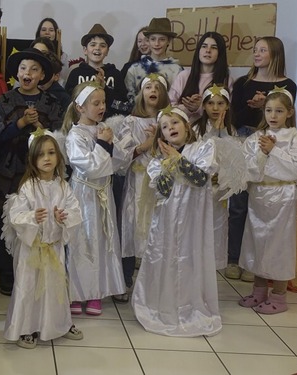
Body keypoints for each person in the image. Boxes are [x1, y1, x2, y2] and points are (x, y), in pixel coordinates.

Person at [132, 106, 221, 337]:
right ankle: (164, 305)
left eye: (175, 123)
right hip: (167, 223)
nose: (170, 128)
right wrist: (169, 164)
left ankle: (191, 306)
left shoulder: (203, 148)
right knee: (167, 258)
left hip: (193, 221)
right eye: (164, 126)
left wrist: (178, 160)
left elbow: (201, 179)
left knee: (191, 259)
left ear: (186, 126)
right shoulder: (157, 161)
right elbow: (163, 188)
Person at [3, 130, 83, 349]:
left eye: (51, 153)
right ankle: (27, 328)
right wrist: (32, 218)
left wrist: (63, 218)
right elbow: (16, 216)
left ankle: (59, 323)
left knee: (55, 287)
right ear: (33, 159)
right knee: (29, 287)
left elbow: (75, 211)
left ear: (58, 156)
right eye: (41, 155)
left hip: (54, 248)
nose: (47, 158)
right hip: (32, 251)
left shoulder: (64, 187)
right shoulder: (29, 187)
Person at [0, 48, 62, 295]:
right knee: (9, 219)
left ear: (42, 75)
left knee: (38, 218)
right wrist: (20, 123)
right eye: (23, 68)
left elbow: (56, 139)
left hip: (39, 174)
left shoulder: (51, 103)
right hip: (9, 173)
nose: (27, 73)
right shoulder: (5, 101)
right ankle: (7, 274)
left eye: (33, 69)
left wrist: (39, 127)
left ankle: (36, 270)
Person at [227, 36, 297, 281]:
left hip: (272, 142)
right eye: (255, 50)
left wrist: (264, 106)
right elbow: (234, 116)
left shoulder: (287, 84)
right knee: (238, 204)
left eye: (262, 50)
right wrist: (254, 107)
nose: (256, 54)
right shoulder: (243, 82)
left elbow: (284, 113)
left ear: (275, 54)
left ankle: (255, 263)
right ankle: (234, 258)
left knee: (261, 210)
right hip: (245, 138)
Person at [238, 88, 297, 315]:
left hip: (283, 197)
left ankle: (278, 294)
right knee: (257, 242)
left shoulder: (296, 138)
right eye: (268, 110)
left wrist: (274, 151)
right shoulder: (255, 138)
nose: (273, 115)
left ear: (289, 112)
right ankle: (258, 290)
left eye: (279, 110)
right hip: (259, 196)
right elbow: (248, 168)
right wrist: (260, 156)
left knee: (279, 245)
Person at [62, 81, 127, 315]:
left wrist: (109, 142)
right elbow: (89, 167)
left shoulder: (105, 129)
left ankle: (96, 292)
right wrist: (103, 143)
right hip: (83, 195)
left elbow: (119, 163)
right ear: (80, 107)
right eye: (96, 103)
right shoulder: (75, 135)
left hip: (103, 194)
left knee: (102, 240)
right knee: (81, 242)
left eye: (104, 102)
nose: (102, 107)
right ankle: (77, 293)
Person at [114, 73, 170, 302]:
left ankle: (153, 284)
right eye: (148, 87)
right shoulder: (130, 122)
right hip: (136, 183)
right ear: (141, 93)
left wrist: (159, 140)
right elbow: (121, 155)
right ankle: (125, 280)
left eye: (157, 87)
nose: (152, 90)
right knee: (130, 229)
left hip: (159, 185)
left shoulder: (169, 120)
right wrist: (145, 145)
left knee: (156, 230)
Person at [192, 85, 238, 271]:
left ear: (227, 106)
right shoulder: (196, 129)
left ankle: (214, 263)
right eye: (210, 103)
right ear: (203, 106)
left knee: (217, 224)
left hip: (220, 187)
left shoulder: (231, 130)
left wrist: (222, 133)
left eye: (220, 103)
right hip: (201, 185)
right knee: (198, 223)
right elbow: (196, 154)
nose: (215, 108)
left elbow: (233, 157)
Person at [65, 24, 128, 118]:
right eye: (93, 44)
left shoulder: (115, 74)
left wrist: (105, 88)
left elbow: (123, 106)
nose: (97, 48)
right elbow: (68, 101)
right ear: (85, 50)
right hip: (81, 123)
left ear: (107, 51)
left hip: (109, 123)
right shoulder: (76, 73)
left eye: (102, 46)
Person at [169, 32, 233, 123]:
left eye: (214, 47)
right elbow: (170, 107)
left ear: (220, 53)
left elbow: (227, 113)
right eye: (204, 46)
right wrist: (188, 108)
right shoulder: (184, 76)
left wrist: (201, 107)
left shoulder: (226, 80)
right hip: (183, 131)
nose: (208, 50)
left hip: (212, 132)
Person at [125, 18, 182, 105]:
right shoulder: (134, 69)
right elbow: (130, 98)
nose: (157, 43)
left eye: (162, 39)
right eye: (153, 39)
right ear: (148, 40)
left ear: (168, 41)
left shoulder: (177, 70)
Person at [35, 18, 70, 85]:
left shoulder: (63, 56)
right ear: (39, 33)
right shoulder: (31, 52)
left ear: (56, 33)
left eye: (51, 30)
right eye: (43, 30)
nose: (47, 32)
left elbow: (63, 77)